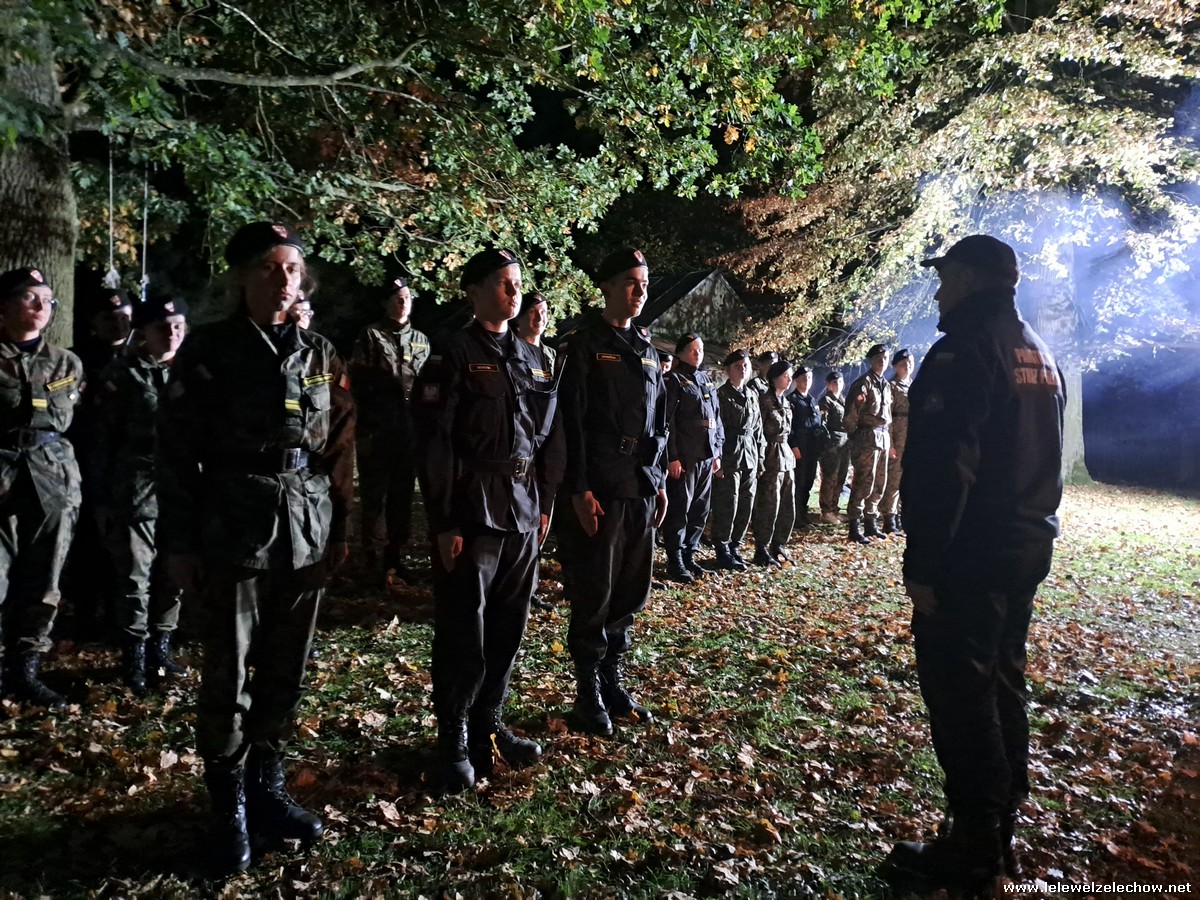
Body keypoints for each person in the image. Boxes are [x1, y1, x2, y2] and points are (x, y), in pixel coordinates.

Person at [157, 221, 354, 874]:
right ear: (241, 278)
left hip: (304, 528)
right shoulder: (210, 350)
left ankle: (266, 788)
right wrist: (180, 542)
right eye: (269, 267)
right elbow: (175, 453)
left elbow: (340, 448)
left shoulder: (319, 353)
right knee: (228, 675)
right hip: (232, 528)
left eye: (292, 268)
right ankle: (228, 807)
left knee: (285, 669)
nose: (283, 279)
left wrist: (339, 530)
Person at [878, 235, 1064, 893]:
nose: (938, 291)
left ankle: (974, 844)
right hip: (1023, 545)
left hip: (971, 554)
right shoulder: (1037, 352)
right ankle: (998, 823)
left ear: (971, 279)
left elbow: (943, 469)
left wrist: (924, 564)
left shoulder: (965, 350)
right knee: (1004, 681)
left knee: (963, 693)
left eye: (946, 276)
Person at [411, 250, 562, 791]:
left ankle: (487, 724)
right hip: (472, 506)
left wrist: (544, 503)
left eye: (517, 283)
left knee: (508, 626)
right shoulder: (451, 354)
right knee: (463, 628)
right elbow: (433, 444)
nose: (514, 292)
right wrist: (445, 521)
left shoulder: (530, 355)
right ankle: (452, 736)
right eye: (502, 283)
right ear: (474, 292)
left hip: (522, 505)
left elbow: (547, 435)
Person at [558, 247, 668, 737]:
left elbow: (659, 422)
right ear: (606, 286)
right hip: (600, 485)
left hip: (640, 484)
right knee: (594, 591)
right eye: (630, 281)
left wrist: (658, 481)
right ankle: (587, 691)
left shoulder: (647, 348)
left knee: (629, 590)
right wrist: (578, 488)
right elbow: (571, 423)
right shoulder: (583, 346)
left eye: (644, 283)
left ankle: (610, 679)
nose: (639, 291)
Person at [94, 294, 189, 694]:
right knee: (136, 577)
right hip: (134, 489)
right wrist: (101, 497)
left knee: (174, 574)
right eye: (162, 328)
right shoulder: (122, 375)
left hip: (181, 488)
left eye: (178, 326)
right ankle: (133, 656)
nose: (171, 334)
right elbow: (102, 440)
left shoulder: (194, 373)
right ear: (144, 333)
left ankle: (160, 649)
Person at [0, 267, 84, 708]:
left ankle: (24, 672)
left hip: (52, 481)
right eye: (30, 297)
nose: (41, 306)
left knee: (45, 581)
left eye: (47, 299)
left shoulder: (67, 363)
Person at [350, 277, 430, 581]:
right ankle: (372, 562)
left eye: (407, 297)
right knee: (375, 498)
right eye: (397, 297)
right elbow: (360, 385)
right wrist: (364, 431)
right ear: (385, 303)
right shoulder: (371, 335)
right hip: (378, 429)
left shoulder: (421, 340)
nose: (403, 302)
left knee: (402, 496)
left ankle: (395, 559)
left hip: (409, 431)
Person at [63, 285, 134, 633]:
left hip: (129, 464)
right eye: (109, 317)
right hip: (84, 459)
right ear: (94, 322)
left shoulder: (141, 357)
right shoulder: (76, 360)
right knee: (88, 540)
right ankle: (85, 612)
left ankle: (120, 617)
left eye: (124, 316)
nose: (117, 324)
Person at [512, 290, 560, 613]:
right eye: (533, 311)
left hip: (546, 451)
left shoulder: (550, 356)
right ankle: (516, 591)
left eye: (543, 312)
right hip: (519, 449)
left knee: (542, 523)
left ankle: (530, 588)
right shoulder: (512, 350)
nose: (539, 317)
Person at [663, 332, 723, 583]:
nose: (698, 354)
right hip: (686, 455)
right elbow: (667, 422)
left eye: (700, 350)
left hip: (706, 454)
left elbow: (716, 418)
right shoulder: (673, 380)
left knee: (700, 509)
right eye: (692, 350)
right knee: (680, 508)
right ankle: (675, 559)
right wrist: (672, 457)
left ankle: (689, 554)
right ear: (680, 353)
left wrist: (717, 452)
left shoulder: (705, 379)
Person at [711, 349, 764, 571]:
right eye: (738, 366)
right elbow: (715, 430)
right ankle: (722, 547)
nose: (743, 369)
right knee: (727, 503)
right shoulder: (720, 395)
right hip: (730, 454)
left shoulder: (752, 395)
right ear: (727, 370)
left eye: (746, 366)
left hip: (749, 455)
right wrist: (718, 459)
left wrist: (760, 459)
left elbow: (758, 429)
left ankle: (735, 545)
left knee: (745, 503)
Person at [843, 343, 893, 544]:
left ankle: (871, 523)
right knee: (864, 482)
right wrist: (855, 438)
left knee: (879, 483)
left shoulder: (886, 385)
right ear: (871, 360)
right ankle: (854, 526)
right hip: (866, 438)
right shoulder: (863, 384)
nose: (882, 361)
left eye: (885, 358)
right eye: (878, 358)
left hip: (883, 438)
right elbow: (851, 416)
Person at [750, 359, 795, 567]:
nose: (789, 379)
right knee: (769, 504)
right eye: (785, 376)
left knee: (787, 504)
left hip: (785, 455)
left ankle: (779, 544)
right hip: (770, 455)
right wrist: (759, 460)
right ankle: (762, 547)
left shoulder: (785, 401)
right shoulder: (764, 400)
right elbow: (757, 431)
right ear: (775, 378)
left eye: (790, 375)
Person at [881, 348, 913, 535]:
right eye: (903, 364)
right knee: (894, 479)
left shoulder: (913, 385)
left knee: (907, 479)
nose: (907, 366)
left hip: (911, 439)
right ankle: (889, 518)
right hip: (897, 438)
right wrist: (891, 444)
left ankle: (901, 516)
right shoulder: (891, 386)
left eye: (910, 363)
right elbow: (888, 418)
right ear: (895, 366)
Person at [786, 366, 823, 532]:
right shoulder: (792, 400)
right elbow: (790, 427)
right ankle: (795, 517)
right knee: (799, 483)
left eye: (809, 377)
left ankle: (803, 513)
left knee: (808, 482)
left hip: (812, 448)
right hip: (800, 448)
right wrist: (793, 445)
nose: (807, 381)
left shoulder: (812, 400)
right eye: (803, 378)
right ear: (796, 380)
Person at [817, 371, 850, 524]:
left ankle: (834, 509)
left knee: (841, 477)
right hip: (833, 444)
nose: (838, 385)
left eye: (840, 382)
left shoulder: (844, 400)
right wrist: (827, 443)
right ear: (828, 384)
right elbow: (822, 423)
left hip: (845, 443)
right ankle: (826, 511)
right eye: (834, 382)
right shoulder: (826, 401)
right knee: (830, 477)